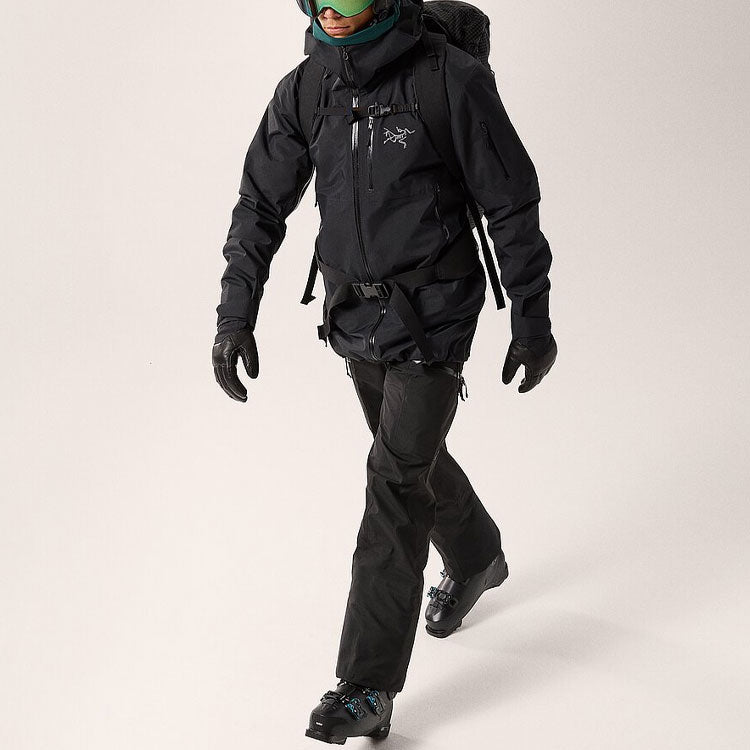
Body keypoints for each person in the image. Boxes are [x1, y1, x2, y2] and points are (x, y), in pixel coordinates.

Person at [212, 0, 557, 743]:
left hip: (436, 315)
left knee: (393, 482)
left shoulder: (448, 80)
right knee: (408, 459)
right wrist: (235, 314)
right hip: (353, 314)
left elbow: (511, 203)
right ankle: (477, 554)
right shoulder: (307, 88)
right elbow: (259, 205)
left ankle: (366, 685)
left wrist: (532, 317)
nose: (338, 13)